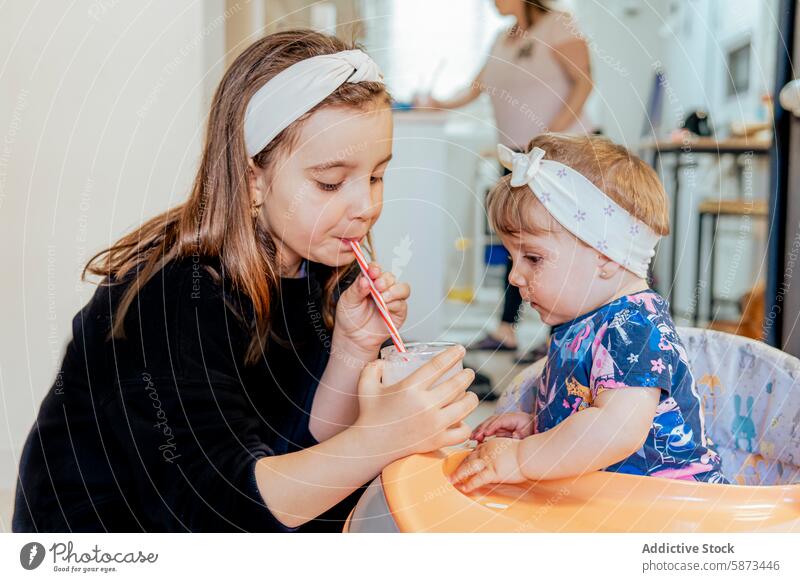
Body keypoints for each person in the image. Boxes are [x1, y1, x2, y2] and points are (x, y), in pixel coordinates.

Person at [13, 30, 478, 533]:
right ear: (253, 177)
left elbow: (303, 443)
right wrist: (384, 436)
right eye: (329, 182)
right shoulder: (169, 299)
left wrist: (353, 347)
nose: (366, 207)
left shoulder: (322, 263)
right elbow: (224, 508)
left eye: (376, 176)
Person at [450, 134, 728, 492]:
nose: (515, 276)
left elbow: (616, 429)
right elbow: (589, 407)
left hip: (670, 506)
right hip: (609, 498)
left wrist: (523, 458)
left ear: (606, 257)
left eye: (532, 258)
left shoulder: (634, 327)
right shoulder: (583, 321)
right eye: (512, 258)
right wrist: (540, 426)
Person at [420, 0, 594, 359]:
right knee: (518, 242)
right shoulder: (503, 37)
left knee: (556, 242)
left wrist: (550, 138)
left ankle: (558, 335)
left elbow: (584, 82)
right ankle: (507, 329)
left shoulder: (558, 24)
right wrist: (436, 104)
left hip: (560, 153)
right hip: (517, 157)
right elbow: (475, 89)